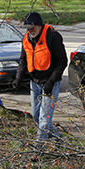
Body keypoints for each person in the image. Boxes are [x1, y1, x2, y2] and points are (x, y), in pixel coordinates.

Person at [14, 11, 67, 152]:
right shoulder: (26, 38)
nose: (30, 31)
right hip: (35, 82)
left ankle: (38, 149)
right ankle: (58, 138)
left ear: (39, 26)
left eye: (32, 28)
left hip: (51, 82)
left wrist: (51, 82)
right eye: (28, 28)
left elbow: (63, 61)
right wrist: (18, 78)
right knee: (37, 117)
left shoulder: (53, 37)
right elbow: (23, 61)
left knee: (44, 120)